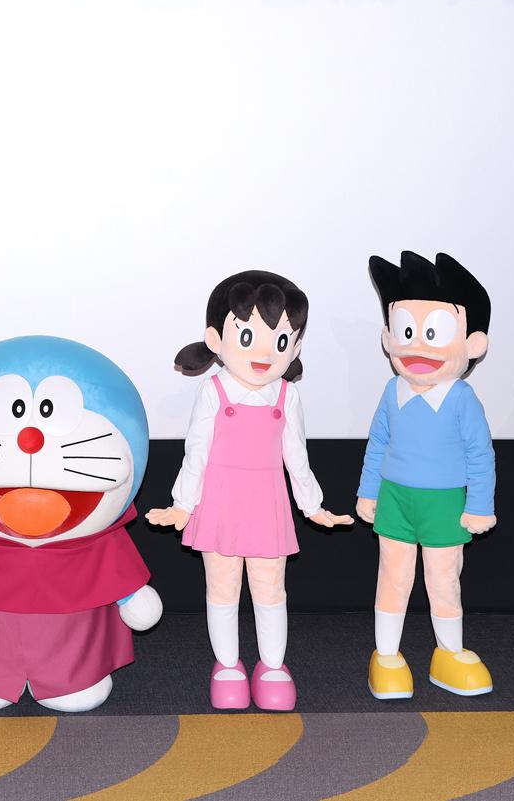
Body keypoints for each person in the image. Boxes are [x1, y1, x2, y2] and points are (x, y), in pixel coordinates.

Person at [148, 271, 352, 711]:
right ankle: (227, 666)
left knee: (270, 589)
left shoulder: (287, 396)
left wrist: (312, 505)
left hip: (267, 508)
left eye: (280, 341)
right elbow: (196, 451)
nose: (264, 353)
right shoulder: (212, 391)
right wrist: (182, 505)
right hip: (218, 506)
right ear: (216, 339)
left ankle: (273, 666)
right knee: (222, 589)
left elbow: (297, 456)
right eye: (247, 336)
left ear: (295, 347)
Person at [356, 251, 496, 700]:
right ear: (389, 336)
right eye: (407, 331)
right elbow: (378, 442)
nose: (417, 346)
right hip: (395, 499)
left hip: (445, 504)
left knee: (443, 580)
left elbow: (480, 455)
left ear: (472, 343)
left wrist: (480, 506)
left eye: (432, 333)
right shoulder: (391, 390)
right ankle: (386, 655)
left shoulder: (461, 397)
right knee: (393, 578)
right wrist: (367, 491)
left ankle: (449, 653)